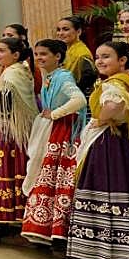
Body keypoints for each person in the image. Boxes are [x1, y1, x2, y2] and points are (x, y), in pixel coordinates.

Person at [66, 41, 129, 259]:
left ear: (122, 60)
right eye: (98, 57)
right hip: (126, 144)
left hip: (109, 146)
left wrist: (100, 120)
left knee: (106, 200)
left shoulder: (115, 84)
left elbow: (113, 105)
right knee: (124, 200)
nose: (100, 61)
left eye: (106, 57)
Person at [21, 40, 87, 245]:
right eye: (37, 54)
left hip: (62, 131)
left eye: (44, 54)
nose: (39, 58)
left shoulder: (63, 77)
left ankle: (57, 229)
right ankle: (44, 227)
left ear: (57, 57)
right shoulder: (49, 76)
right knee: (45, 173)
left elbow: (79, 100)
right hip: (52, 128)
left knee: (55, 176)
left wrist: (56, 114)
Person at [0, 37, 36, 229]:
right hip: (21, 127)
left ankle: (13, 213)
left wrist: (5, 124)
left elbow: (7, 108)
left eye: (2, 51)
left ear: (15, 54)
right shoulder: (21, 71)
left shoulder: (10, 76)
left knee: (11, 167)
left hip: (12, 128)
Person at [55, 16, 97, 94]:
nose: (60, 33)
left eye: (65, 29)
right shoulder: (66, 50)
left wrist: (73, 91)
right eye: (58, 30)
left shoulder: (82, 53)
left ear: (78, 32)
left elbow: (89, 77)